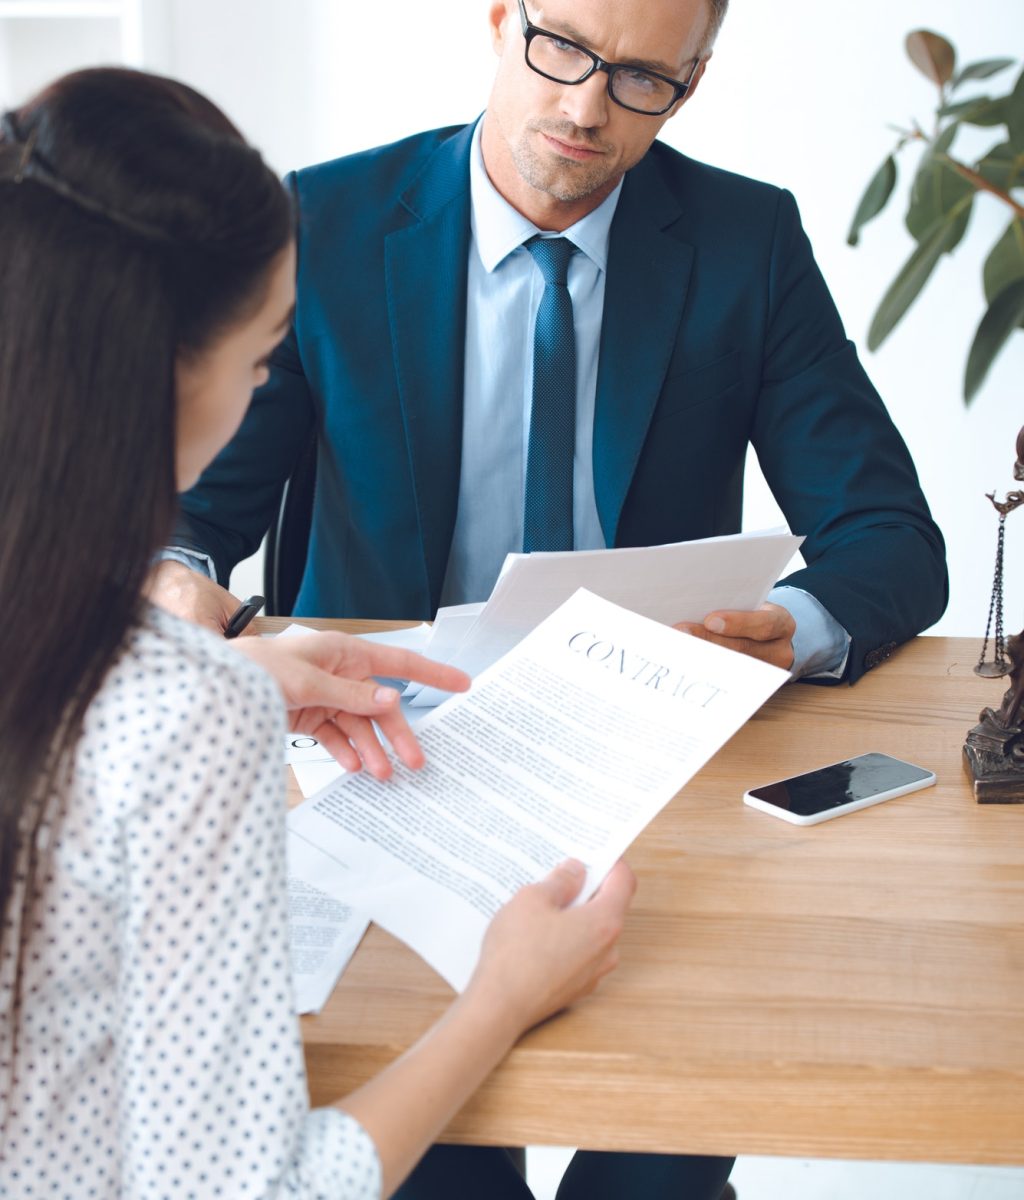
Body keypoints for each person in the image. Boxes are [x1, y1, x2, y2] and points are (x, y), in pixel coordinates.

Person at [0, 67, 637, 1199]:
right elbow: (255, 1192)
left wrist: (221, 669)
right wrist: (501, 997)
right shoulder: (184, 713)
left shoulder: (147, 684)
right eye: (260, 357)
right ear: (161, 376)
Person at [155, 0, 947, 693]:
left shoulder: (749, 245)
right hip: (374, 706)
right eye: (563, 46)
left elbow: (889, 537)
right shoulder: (323, 224)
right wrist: (173, 579)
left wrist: (789, 629)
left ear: (690, 84)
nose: (584, 109)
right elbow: (195, 509)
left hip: (639, 720)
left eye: (639, 77)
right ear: (503, 19)